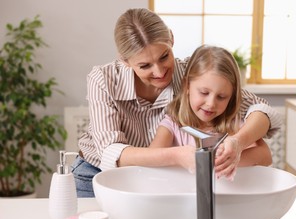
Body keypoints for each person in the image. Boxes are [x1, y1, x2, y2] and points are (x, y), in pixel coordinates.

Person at [71, 8, 282, 197]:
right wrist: (177, 156)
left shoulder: (192, 73)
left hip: (157, 178)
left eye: (164, 57)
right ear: (125, 61)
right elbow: (110, 152)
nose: (160, 72)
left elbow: (259, 109)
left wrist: (238, 143)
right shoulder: (103, 79)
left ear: (171, 39)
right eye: (145, 66)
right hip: (95, 174)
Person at [150, 45, 272, 180]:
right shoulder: (172, 124)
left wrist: (225, 160)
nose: (211, 104)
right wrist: (179, 157)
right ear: (187, 86)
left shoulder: (235, 123)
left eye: (221, 97)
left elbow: (265, 156)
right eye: (204, 92)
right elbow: (152, 158)